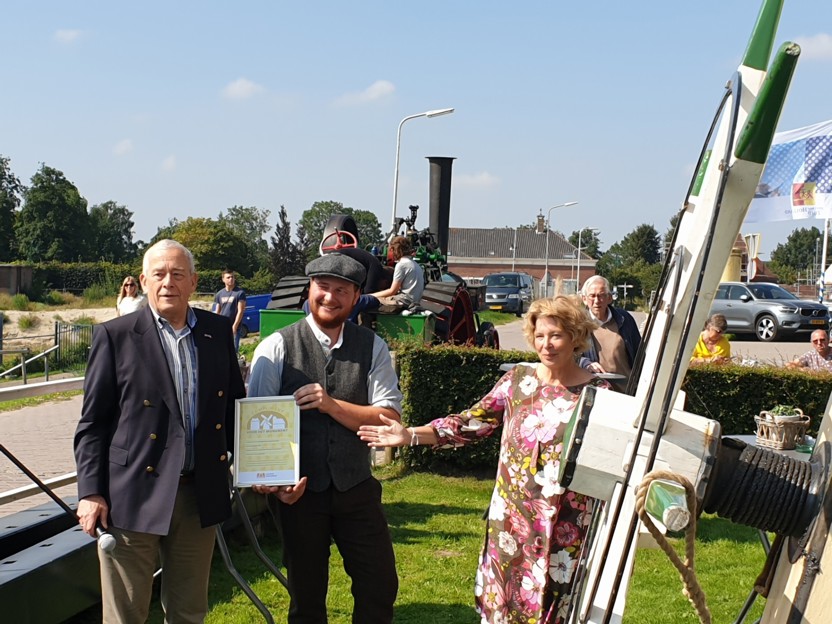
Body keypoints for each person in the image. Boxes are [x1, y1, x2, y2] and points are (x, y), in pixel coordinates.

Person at [358, 296, 611, 623]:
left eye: (556, 335)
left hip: (566, 527)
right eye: (540, 336)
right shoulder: (519, 381)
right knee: (503, 605)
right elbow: (470, 424)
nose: (546, 345)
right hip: (511, 522)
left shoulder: (596, 393)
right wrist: (410, 435)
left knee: (556, 607)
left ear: (576, 337)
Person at [74, 239, 246, 623]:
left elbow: (235, 407)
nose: (168, 282)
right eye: (159, 274)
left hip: (198, 495)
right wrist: (91, 491)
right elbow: (92, 425)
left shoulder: (217, 333)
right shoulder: (115, 336)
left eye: (178, 274)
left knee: (189, 612)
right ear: (144, 280)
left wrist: (261, 468)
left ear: (193, 282)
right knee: (125, 615)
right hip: (131, 495)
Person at [247, 252, 402, 624]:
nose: (330, 297)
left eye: (341, 291)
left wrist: (332, 405)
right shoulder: (276, 346)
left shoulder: (372, 346)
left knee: (379, 585)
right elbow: (256, 428)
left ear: (355, 297)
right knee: (307, 596)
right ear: (310, 289)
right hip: (300, 495)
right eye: (323, 288)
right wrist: (275, 482)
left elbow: (388, 418)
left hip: (356, 486)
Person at [578, 276, 641, 389]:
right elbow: (569, 356)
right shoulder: (579, 324)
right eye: (592, 296)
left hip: (627, 390)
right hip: (597, 390)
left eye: (601, 295)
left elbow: (639, 354)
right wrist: (585, 363)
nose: (597, 301)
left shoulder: (624, 319)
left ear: (609, 298)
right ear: (584, 299)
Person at [370, 236, 425, 309]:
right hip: (415, 301)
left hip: (405, 301)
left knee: (369, 303)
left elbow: (392, 291)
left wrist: (369, 296)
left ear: (393, 250)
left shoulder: (401, 265)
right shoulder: (416, 264)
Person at [212, 268, 246, 352]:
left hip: (234, 327)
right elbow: (216, 311)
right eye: (228, 277)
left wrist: (234, 326)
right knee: (221, 350)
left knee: (233, 351)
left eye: (232, 277)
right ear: (223, 279)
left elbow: (240, 310)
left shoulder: (240, 293)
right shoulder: (219, 294)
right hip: (222, 327)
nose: (231, 279)